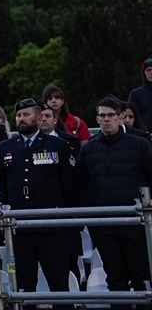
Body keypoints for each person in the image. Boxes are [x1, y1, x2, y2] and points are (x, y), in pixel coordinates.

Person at [0, 99, 75, 306]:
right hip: (20, 228)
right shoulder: (5, 147)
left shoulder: (58, 145)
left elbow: (68, 185)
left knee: (58, 284)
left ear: (39, 119)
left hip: (51, 226)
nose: (21, 119)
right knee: (24, 287)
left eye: (26, 115)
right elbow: (3, 185)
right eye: (19, 115)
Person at [80, 96, 152, 309]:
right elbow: (83, 184)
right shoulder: (89, 149)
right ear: (96, 118)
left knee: (141, 278)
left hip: (135, 223)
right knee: (114, 278)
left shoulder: (141, 145)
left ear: (121, 117)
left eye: (111, 115)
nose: (106, 119)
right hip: (103, 225)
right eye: (102, 116)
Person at [129, 58, 152, 130]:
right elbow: (133, 117)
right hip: (145, 137)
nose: (151, 72)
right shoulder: (136, 94)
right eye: (148, 70)